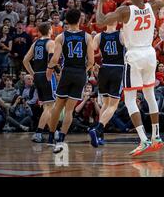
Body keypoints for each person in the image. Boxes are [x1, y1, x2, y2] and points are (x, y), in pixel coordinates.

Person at [95, 0, 164, 156]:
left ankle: (144, 140)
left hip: (134, 55)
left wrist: (100, 2)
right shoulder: (153, 5)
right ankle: (156, 136)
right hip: (150, 54)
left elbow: (100, 21)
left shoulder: (125, 11)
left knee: (130, 99)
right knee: (150, 95)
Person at [46, 8, 95, 153]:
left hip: (66, 72)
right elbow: (91, 61)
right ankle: (61, 138)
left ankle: (50, 137)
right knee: (69, 110)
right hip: (80, 73)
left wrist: (51, 68)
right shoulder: (87, 37)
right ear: (80, 19)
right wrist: (83, 72)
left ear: (66, 20)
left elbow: (55, 59)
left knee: (57, 107)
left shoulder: (61, 37)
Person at [88, 22, 125, 147]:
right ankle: (98, 128)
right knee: (113, 106)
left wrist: (93, 65)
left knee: (105, 104)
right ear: (117, 21)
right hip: (117, 70)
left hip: (104, 70)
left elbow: (91, 50)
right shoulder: (121, 34)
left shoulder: (98, 36)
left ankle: (100, 134)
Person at [23, 22, 56, 143]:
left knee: (46, 107)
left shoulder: (35, 43)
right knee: (49, 106)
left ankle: (54, 131)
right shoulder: (51, 42)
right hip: (47, 75)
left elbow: (25, 60)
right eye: (51, 28)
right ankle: (38, 133)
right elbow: (52, 60)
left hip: (37, 75)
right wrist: (55, 73)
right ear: (49, 30)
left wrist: (33, 74)